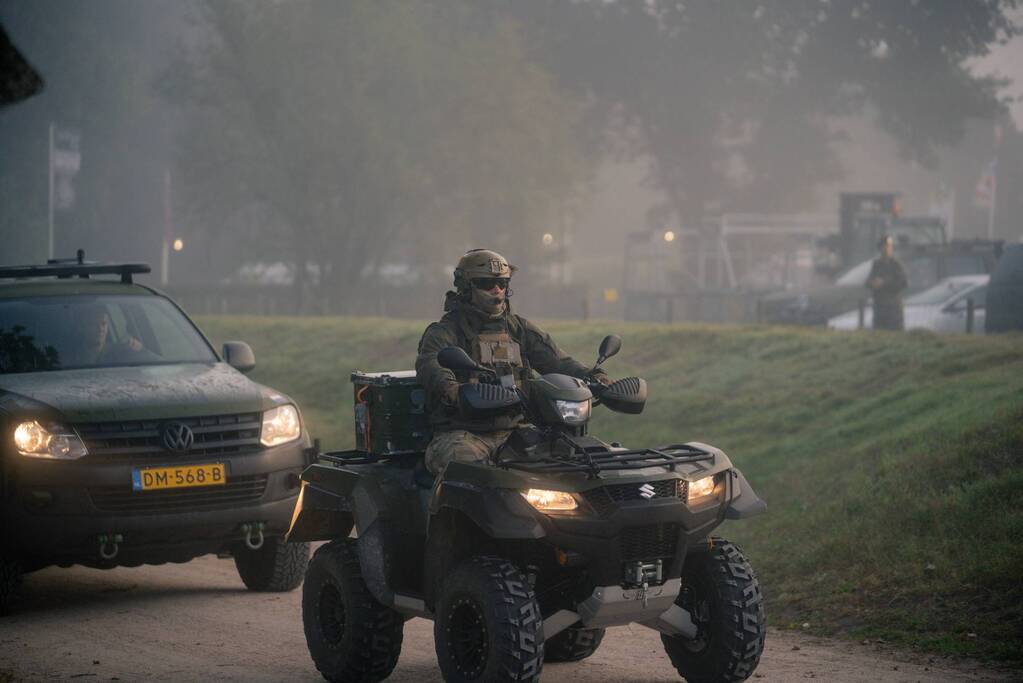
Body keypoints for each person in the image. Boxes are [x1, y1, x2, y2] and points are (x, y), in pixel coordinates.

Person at [416, 249, 609, 475]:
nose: (497, 289)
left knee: (579, 460)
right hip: (463, 433)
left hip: (518, 430)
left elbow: (559, 362)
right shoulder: (445, 331)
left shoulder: (520, 329)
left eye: (502, 282)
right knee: (468, 469)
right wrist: (453, 390)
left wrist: (595, 377)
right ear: (467, 287)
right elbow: (431, 365)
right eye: (486, 283)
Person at [65, 304, 146, 367]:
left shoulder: (120, 353)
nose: (100, 329)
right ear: (82, 328)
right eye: (94, 324)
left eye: (103, 324)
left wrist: (140, 350)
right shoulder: (70, 359)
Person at [866, 235, 908, 331]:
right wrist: (873, 283)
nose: (887, 248)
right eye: (885, 246)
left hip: (893, 311)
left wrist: (884, 283)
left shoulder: (896, 264)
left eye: (889, 246)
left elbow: (904, 282)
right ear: (880, 248)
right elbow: (868, 281)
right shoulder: (876, 264)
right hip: (879, 310)